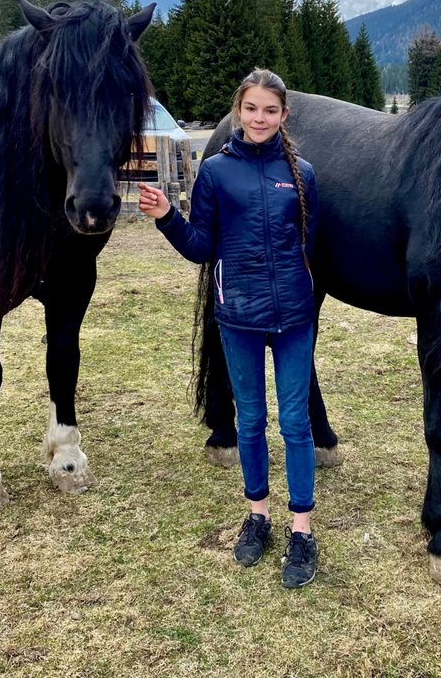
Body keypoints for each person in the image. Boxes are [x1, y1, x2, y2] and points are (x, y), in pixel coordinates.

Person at [138, 68, 321, 589]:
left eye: (270, 110)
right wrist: (168, 217)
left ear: (283, 115)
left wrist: (296, 289)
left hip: (294, 318)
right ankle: (258, 515)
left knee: (296, 424)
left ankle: (302, 531)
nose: (259, 118)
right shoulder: (216, 172)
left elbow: (310, 244)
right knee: (249, 422)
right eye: (250, 108)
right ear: (238, 111)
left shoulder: (302, 173)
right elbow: (201, 246)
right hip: (237, 315)